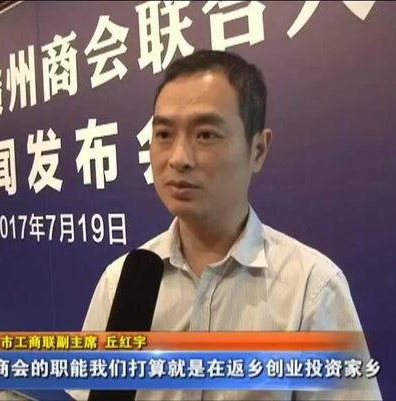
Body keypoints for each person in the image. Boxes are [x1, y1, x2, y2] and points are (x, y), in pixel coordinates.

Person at [68, 50, 382, 401]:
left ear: (258, 149)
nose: (179, 158)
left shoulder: (312, 287)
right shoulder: (120, 283)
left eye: (205, 135)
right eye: (164, 134)